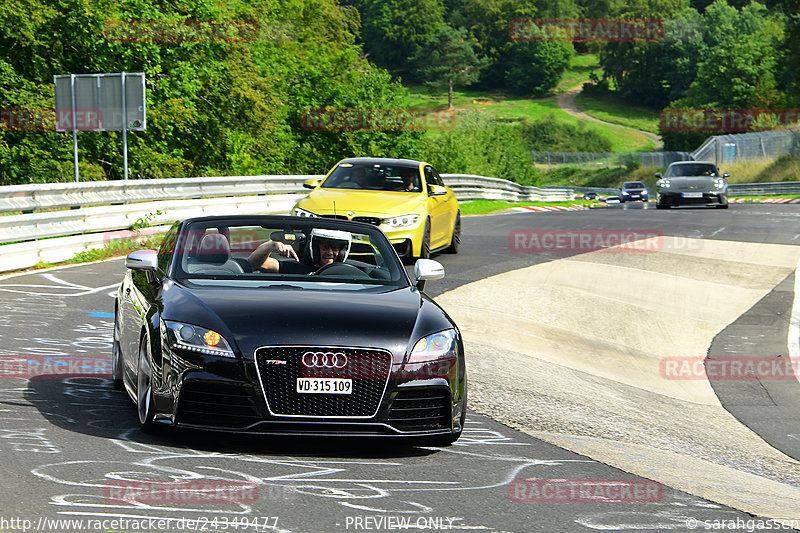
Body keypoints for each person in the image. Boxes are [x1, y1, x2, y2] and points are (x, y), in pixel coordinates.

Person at [248, 228, 351, 274]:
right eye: (325, 247)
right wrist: (272, 244)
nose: (329, 252)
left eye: (335, 248)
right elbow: (256, 262)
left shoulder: (353, 273)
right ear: (315, 249)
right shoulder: (297, 269)